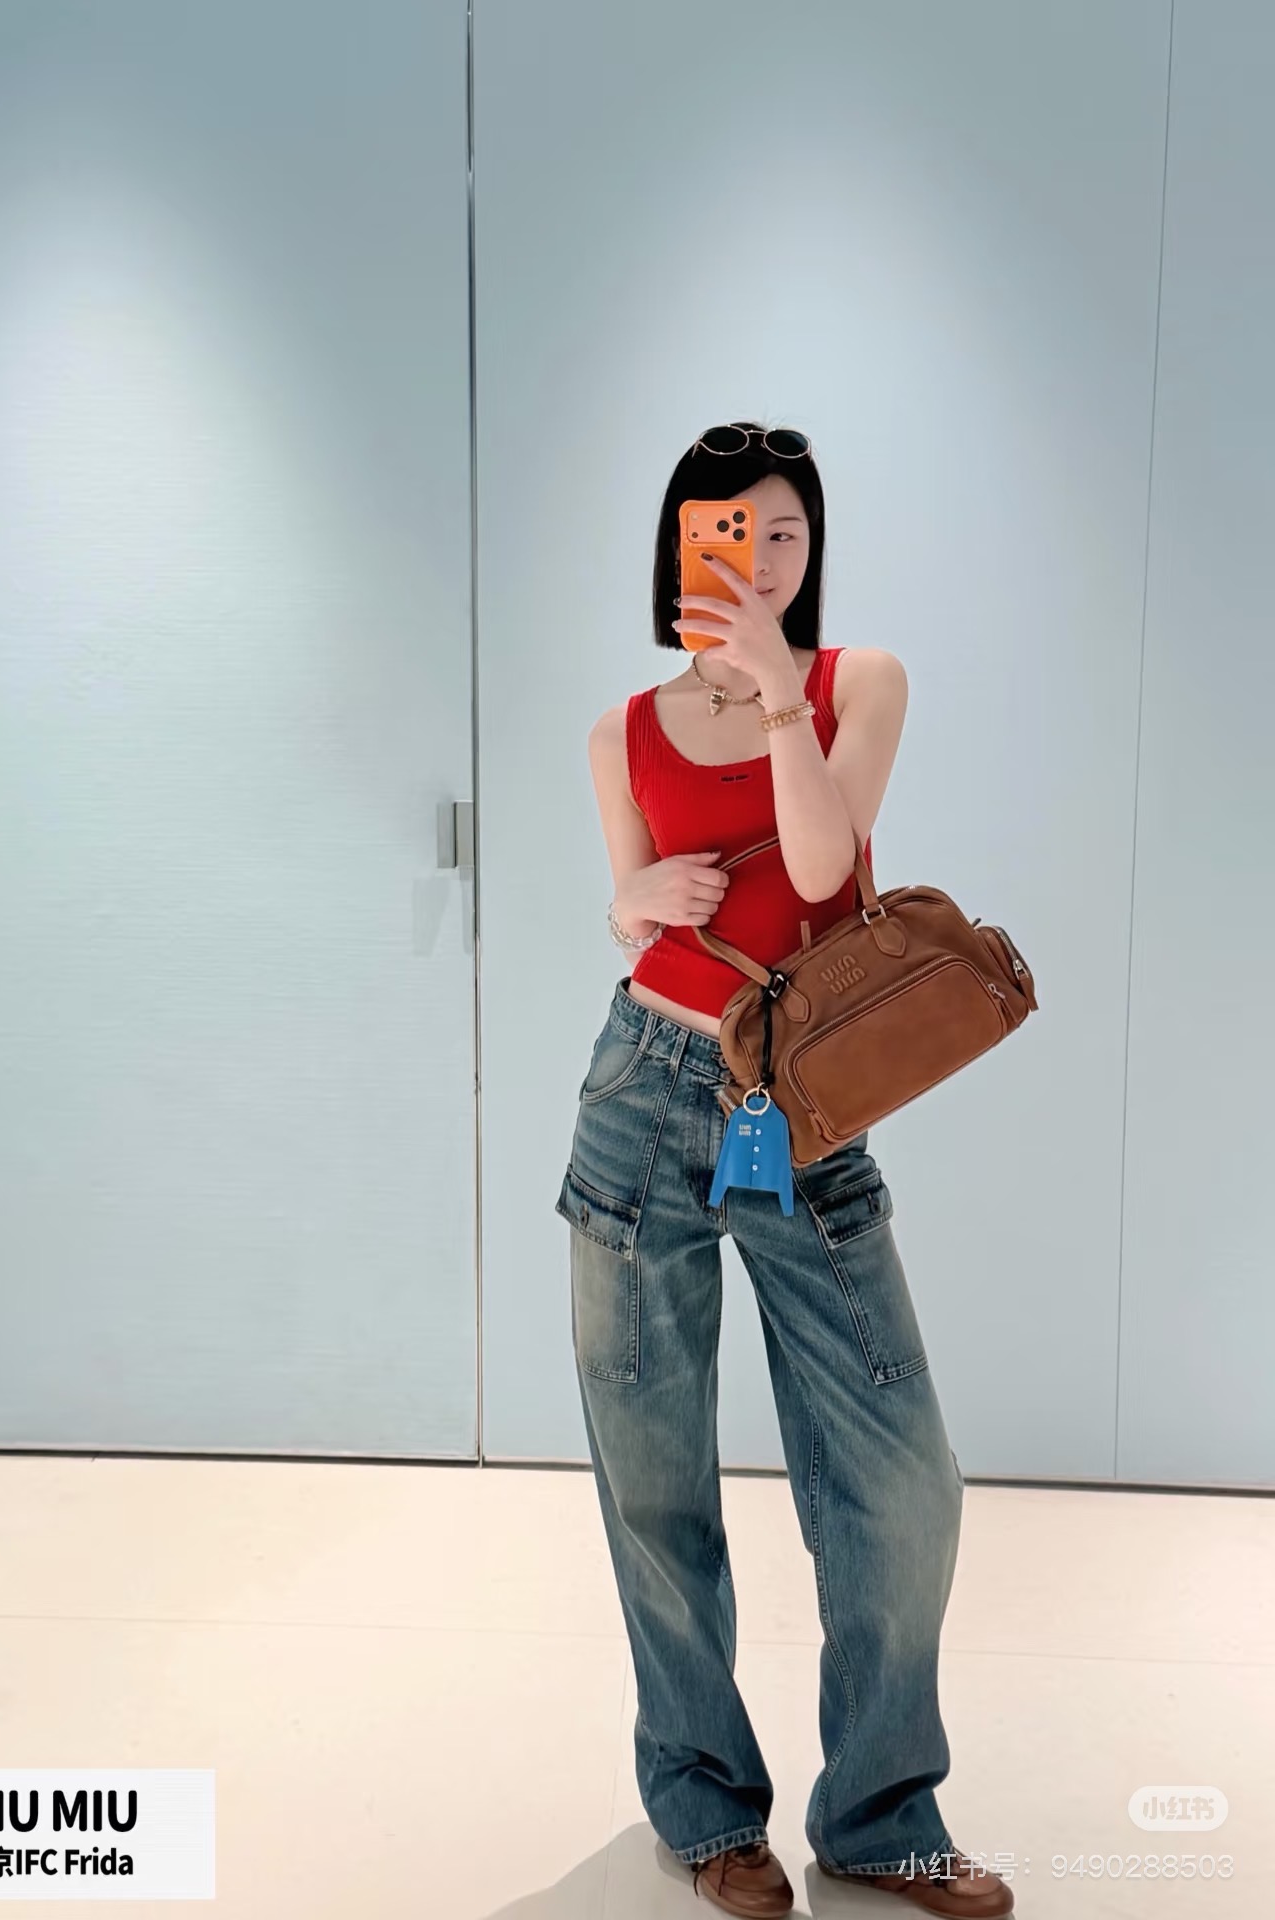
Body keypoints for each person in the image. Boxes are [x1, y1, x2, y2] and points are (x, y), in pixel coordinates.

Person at [554, 423, 1014, 1918]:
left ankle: (878, 1814)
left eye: (785, 535)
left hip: (798, 1117)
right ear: (681, 543)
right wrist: (632, 892)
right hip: (641, 1096)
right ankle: (706, 1809)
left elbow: (823, 870)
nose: (757, 557)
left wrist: (773, 698)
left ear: (811, 551)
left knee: (902, 1480)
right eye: (727, 531)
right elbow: (631, 915)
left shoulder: (855, 683)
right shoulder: (619, 729)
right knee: (654, 1482)